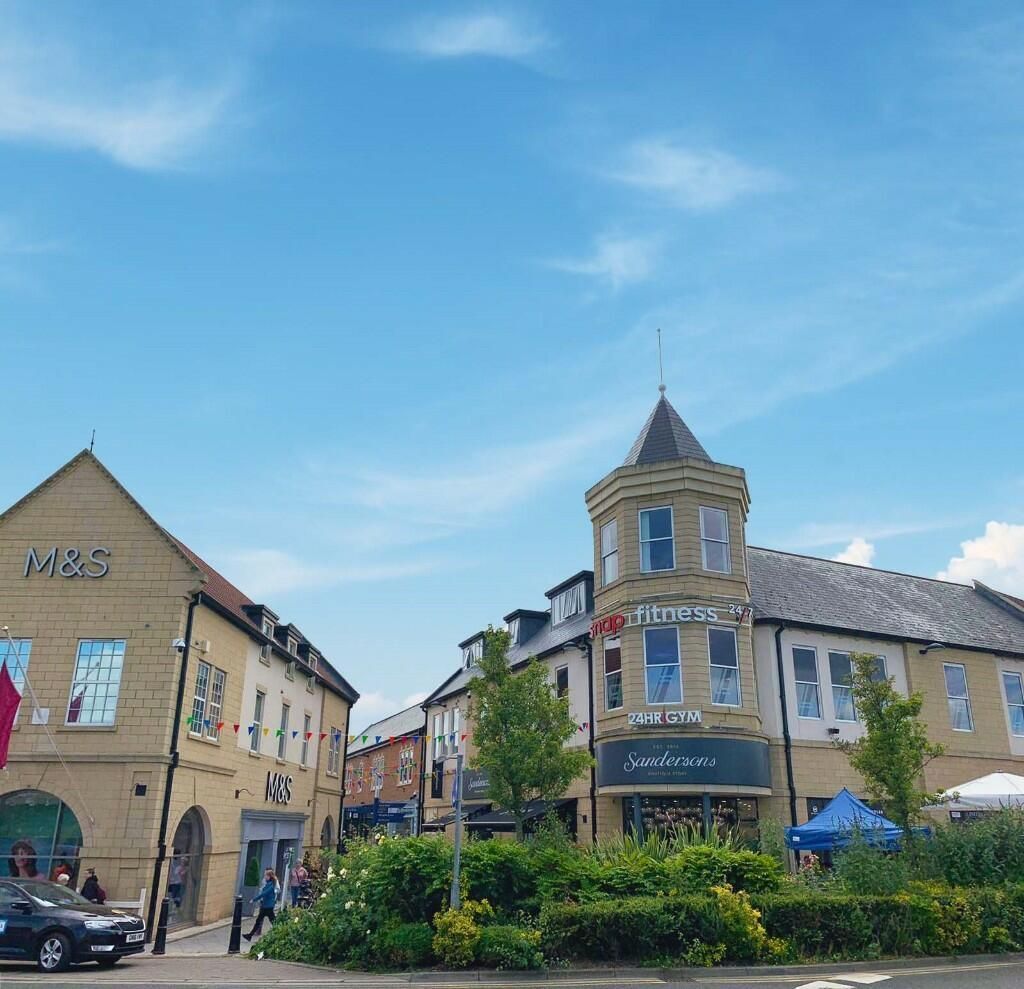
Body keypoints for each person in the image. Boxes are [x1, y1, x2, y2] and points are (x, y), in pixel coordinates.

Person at [243, 869, 278, 941]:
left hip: (268, 906)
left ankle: (279, 932)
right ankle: (250, 935)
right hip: (265, 906)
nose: (264, 876)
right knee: (260, 921)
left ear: (269, 876)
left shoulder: (271, 885)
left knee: (272, 921)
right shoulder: (269, 883)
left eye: (265, 875)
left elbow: (264, 894)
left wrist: (254, 899)